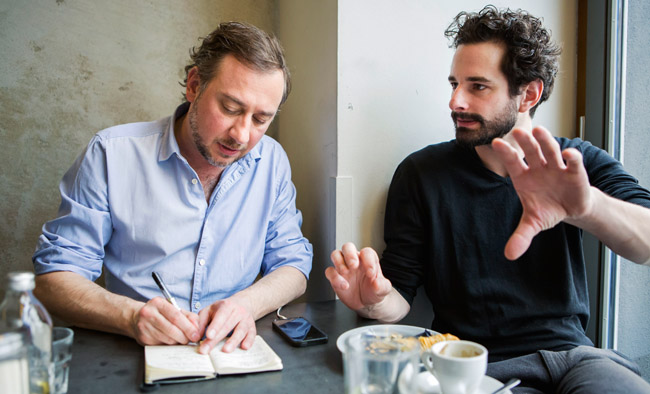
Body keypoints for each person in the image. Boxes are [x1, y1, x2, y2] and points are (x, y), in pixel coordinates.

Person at [326, 6, 650, 393]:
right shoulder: (422, 174)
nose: (455, 102)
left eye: (477, 86)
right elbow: (399, 298)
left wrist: (587, 208)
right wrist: (373, 300)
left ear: (528, 94)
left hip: (580, 360)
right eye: (454, 84)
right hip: (477, 368)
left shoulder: (574, 163)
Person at [32, 22, 312, 355]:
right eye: (230, 108)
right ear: (194, 85)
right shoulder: (110, 154)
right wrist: (131, 316)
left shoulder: (272, 160)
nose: (241, 134)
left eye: (260, 119)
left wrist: (245, 305)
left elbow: (293, 264)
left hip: (232, 353)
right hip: (132, 353)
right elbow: (53, 279)